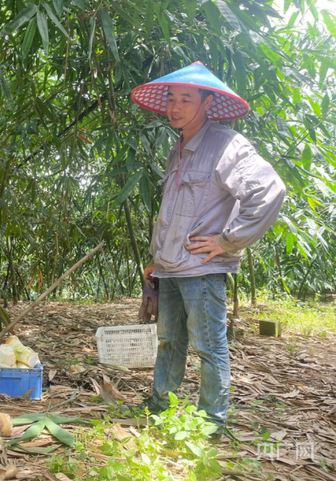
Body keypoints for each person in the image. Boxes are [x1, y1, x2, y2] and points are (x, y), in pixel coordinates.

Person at [124, 62, 286, 439]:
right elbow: (174, 212)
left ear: (208, 102)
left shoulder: (227, 144)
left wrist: (227, 241)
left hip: (202, 268)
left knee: (208, 346)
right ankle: (161, 405)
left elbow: (270, 190)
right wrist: (156, 257)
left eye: (186, 99)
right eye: (171, 98)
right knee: (169, 340)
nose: (175, 107)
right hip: (171, 267)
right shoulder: (177, 149)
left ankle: (211, 421)